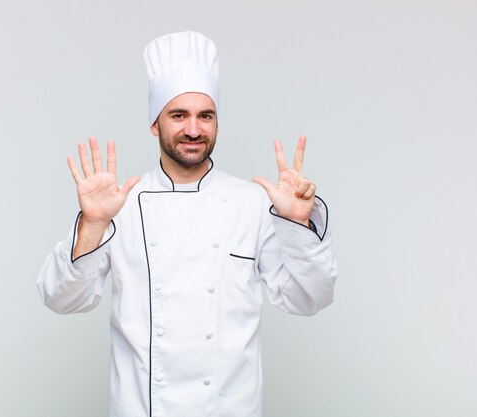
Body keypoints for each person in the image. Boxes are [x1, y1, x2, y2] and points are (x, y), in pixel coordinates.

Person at [38, 31, 337, 417]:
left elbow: (310, 298)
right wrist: (93, 225)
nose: (193, 130)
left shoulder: (253, 203)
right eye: (178, 115)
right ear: (154, 124)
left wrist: (298, 226)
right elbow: (61, 299)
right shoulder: (119, 205)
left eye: (205, 116)